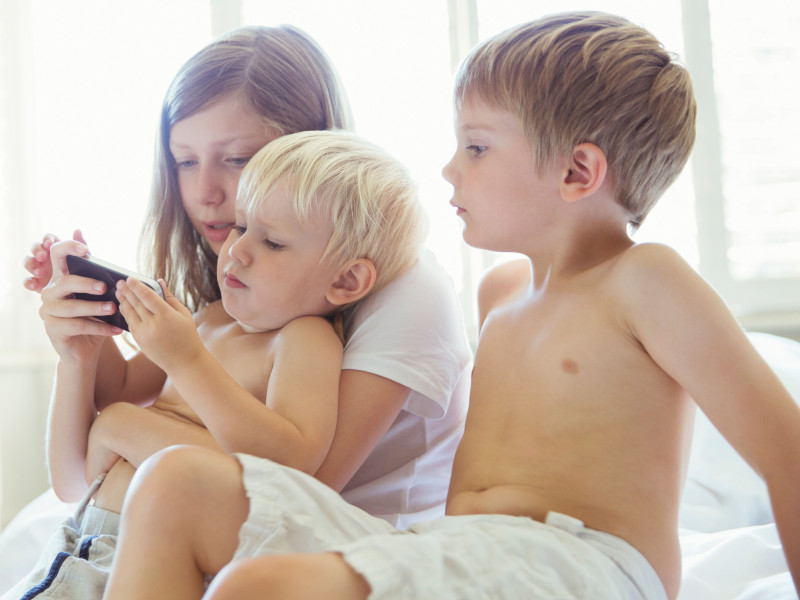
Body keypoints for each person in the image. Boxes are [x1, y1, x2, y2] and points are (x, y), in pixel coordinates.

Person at [99, 11, 800, 600]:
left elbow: (786, 449)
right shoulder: (502, 291)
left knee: (262, 588)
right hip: (462, 547)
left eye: (477, 146)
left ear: (578, 172)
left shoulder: (645, 281)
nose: (448, 168)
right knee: (176, 483)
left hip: (577, 565)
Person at [4, 23, 470, 596]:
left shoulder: (373, 305)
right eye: (184, 160)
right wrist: (81, 343)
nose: (204, 194)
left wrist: (133, 418)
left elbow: (295, 479)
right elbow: (97, 433)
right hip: (105, 540)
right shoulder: (224, 311)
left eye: (239, 158)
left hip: (310, 555)